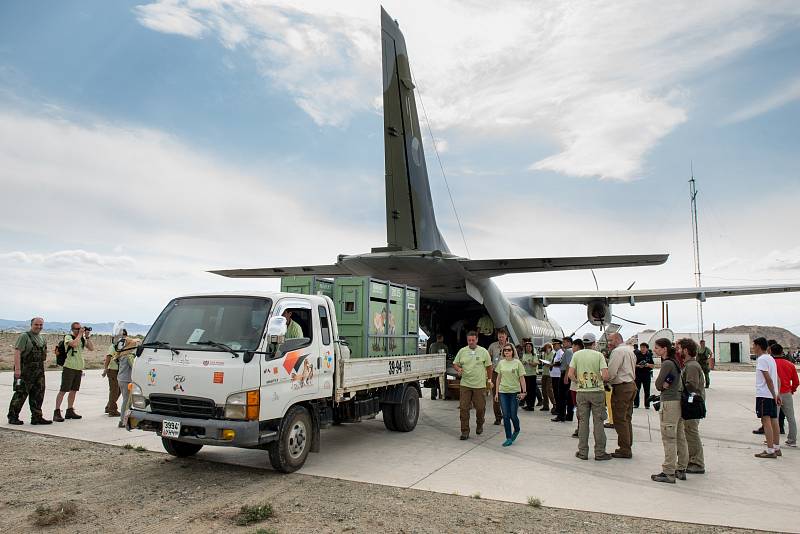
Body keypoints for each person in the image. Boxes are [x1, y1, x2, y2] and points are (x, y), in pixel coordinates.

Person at [568, 333, 611, 461]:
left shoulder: (576, 355)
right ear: (594, 343)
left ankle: (583, 452)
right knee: (598, 423)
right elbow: (605, 375)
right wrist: (601, 382)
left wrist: (579, 381)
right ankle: (600, 452)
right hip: (597, 392)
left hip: (581, 392)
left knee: (583, 423)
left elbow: (570, 374)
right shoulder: (599, 355)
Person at [651, 338, 687, 483]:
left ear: (665, 349)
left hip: (669, 403)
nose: (655, 350)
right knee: (680, 436)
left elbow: (659, 384)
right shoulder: (675, 362)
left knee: (669, 438)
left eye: (657, 348)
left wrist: (663, 385)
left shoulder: (667, 363)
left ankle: (668, 471)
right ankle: (681, 467)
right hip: (678, 401)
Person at [7, 317, 52, 425]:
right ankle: (13, 416)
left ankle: (37, 417)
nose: (39, 327)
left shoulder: (42, 338)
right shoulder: (24, 336)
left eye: (41, 325)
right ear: (31, 325)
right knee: (21, 394)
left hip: (39, 371)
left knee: (38, 394)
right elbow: (17, 352)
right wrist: (17, 369)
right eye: (36, 324)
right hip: (25, 371)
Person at [452, 331, 493, 440]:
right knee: (464, 408)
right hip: (465, 384)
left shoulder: (483, 352)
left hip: (479, 385)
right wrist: (458, 369)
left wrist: (489, 380)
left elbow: (489, 366)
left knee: (480, 408)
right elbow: (455, 364)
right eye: (469, 340)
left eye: (473, 340)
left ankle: (480, 423)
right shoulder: (462, 351)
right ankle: (465, 431)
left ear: (477, 340)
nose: (471, 342)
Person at [54, 322, 94, 422]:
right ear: (72, 329)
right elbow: (74, 344)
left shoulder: (82, 339)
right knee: (63, 390)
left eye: (80, 328)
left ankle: (70, 410)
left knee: (74, 390)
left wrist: (87, 337)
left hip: (78, 368)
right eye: (76, 329)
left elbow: (91, 348)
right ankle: (57, 411)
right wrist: (80, 334)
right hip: (69, 367)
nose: (78, 330)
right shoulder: (68, 337)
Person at [677, 338, 705, 475]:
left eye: (680, 349)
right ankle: (690, 459)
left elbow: (691, 385)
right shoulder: (688, 365)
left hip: (692, 405)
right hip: (689, 404)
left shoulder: (692, 366)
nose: (678, 351)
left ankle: (697, 462)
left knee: (691, 432)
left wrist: (677, 389)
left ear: (686, 350)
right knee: (688, 432)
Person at [607, 333, 637, 459]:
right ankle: (627, 444)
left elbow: (612, 371)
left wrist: (605, 380)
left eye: (610, 340)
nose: (609, 343)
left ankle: (624, 448)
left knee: (619, 418)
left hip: (622, 387)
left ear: (617, 340)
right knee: (627, 417)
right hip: (631, 385)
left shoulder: (618, 352)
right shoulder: (630, 351)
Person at [753, 337, 782, 458]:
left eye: (754, 346)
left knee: (766, 421)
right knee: (774, 420)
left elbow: (768, 379)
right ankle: (776, 447)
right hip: (771, 394)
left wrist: (774, 394)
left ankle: (770, 450)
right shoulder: (771, 359)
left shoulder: (762, 359)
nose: (753, 348)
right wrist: (777, 393)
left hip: (764, 394)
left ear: (759, 346)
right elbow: (777, 379)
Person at [494, 343, 527, 446]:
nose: (507, 351)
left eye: (509, 350)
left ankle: (516, 429)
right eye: (505, 350)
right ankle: (508, 437)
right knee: (506, 416)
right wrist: (496, 393)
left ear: (513, 351)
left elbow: (522, 378)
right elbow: (498, 378)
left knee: (513, 415)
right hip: (503, 392)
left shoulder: (517, 363)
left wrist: (524, 392)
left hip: (515, 392)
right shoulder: (501, 363)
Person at [488, 329, 517, 425]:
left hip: (507, 374)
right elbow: (487, 358)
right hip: (495, 373)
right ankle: (498, 417)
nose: (501, 339)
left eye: (502, 337)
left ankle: (506, 417)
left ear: (506, 336)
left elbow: (516, 359)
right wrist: (490, 365)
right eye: (499, 337)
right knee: (496, 396)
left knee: (506, 396)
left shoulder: (511, 346)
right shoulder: (493, 346)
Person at [773, 343, 798, 447]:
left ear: (772, 352)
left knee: (774, 417)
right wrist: (792, 389)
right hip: (787, 393)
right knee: (791, 418)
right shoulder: (790, 364)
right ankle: (792, 440)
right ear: (782, 351)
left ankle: (773, 439)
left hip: (774, 394)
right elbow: (796, 381)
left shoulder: (771, 364)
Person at [115, 337, 139, 427]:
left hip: (121, 379)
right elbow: (134, 366)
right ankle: (123, 421)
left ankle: (124, 420)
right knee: (126, 401)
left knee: (126, 400)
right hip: (126, 380)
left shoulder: (121, 354)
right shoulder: (129, 356)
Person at [102, 329, 126, 417]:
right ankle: (112, 410)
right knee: (114, 390)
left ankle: (109, 406)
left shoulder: (122, 346)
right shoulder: (114, 346)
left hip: (119, 370)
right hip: (113, 370)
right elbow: (108, 357)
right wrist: (105, 369)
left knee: (118, 390)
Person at [554, 337, 575, 422]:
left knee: (562, 396)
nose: (563, 344)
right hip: (566, 373)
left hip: (565, 374)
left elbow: (569, 365)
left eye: (564, 342)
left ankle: (561, 415)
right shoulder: (569, 351)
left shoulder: (569, 351)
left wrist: (566, 376)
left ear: (569, 343)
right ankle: (569, 415)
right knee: (568, 396)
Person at [427, 334, 448, 400]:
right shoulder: (444, 346)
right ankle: (444, 395)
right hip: (441, 365)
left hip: (433, 365)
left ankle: (433, 396)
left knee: (434, 380)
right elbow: (447, 355)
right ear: (442, 338)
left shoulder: (432, 345)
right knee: (443, 380)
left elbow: (429, 353)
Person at [634, 342, 655, 408]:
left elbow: (652, 365)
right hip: (638, 374)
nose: (642, 349)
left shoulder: (649, 355)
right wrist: (638, 366)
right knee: (637, 390)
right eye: (641, 347)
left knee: (647, 390)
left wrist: (647, 365)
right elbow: (632, 364)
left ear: (647, 348)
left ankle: (647, 405)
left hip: (646, 374)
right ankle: (636, 404)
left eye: (644, 347)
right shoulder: (636, 354)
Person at [521, 341, 540, 411]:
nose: (528, 348)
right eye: (527, 347)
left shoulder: (534, 355)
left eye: (529, 346)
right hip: (525, 374)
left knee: (532, 391)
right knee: (526, 390)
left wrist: (529, 363)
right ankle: (528, 404)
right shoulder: (524, 355)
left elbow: (536, 363)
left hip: (532, 375)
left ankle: (531, 405)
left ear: (532, 348)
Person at [539, 343, 555, 411]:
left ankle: (554, 404)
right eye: (546, 348)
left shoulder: (553, 354)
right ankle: (546, 405)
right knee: (543, 390)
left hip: (550, 374)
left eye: (548, 348)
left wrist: (549, 363)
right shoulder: (544, 354)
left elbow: (553, 363)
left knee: (549, 390)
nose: (547, 349)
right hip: (544, 373)